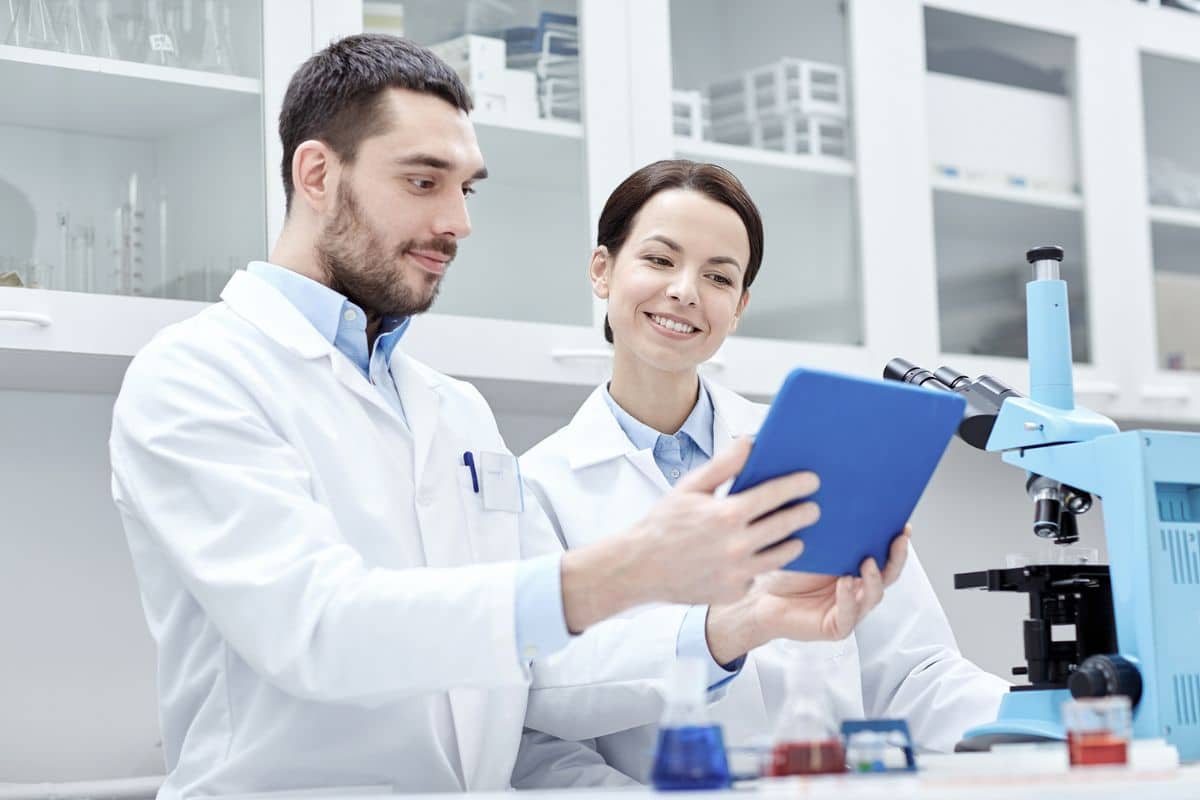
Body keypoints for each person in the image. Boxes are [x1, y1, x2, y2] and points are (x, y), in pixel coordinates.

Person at [108, 36, 907, 797]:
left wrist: (732, 626)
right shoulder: (197, 375)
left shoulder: (454, 410)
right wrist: (635, 566)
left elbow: (536, 668)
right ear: (317, 175)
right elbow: (318, 629)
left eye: (467, 188)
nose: (459, 222)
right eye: (424, 182)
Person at [517, 159, 1011, 785]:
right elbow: (539, 718)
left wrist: (1040, 722)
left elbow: (913, 674)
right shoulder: (537, 487)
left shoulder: (822, 450)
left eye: (719, 276)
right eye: (661, 260)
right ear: (602, 269)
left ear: (740, 304)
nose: (686, 292)